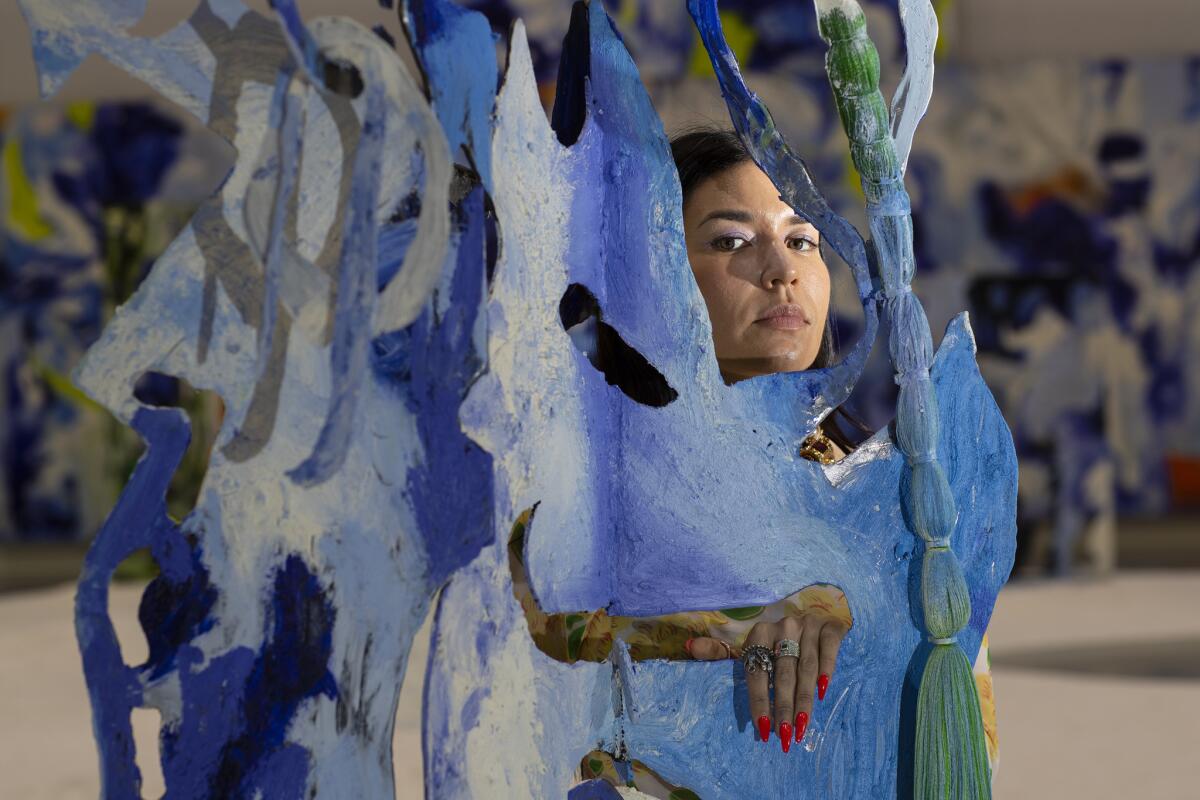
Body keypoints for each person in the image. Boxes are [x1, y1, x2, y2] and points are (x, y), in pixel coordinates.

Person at [509, 128, 997, 797]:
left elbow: (968, 731)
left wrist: (856, 602)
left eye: (802, 240)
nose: (782, 270)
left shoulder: (885, 489)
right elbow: (537, 653)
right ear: (648, 270)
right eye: (730, 241)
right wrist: (736, 622)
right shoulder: (583, 487)